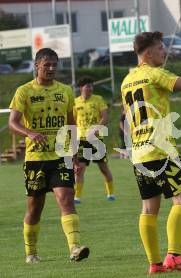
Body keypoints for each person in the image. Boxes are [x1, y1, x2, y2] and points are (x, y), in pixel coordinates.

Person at [120, 31, 181, 274]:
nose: (165, 52)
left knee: (148, 208)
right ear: (148, 52)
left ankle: (154, 263)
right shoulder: (155, 74)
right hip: (161, 149)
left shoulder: (126, 81)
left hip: (140, 152)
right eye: (161, 48)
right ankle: (175, 255)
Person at [8, 48, 89, 263]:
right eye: (47, 65)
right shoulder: (24, 91)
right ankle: (31, 252)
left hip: (60, 157)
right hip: (35, 160)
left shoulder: (65, 91)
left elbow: (71, 124)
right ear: (37, 66)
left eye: (55, 65)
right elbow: (12, 123)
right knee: (35, 208)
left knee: (66, 199)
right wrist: (30, 133)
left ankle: (74, 248)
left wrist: (74, 155)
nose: (52, 68)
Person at [73, 77, 115, 204]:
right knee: (79, 169)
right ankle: (77, 197)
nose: (90, 88)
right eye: (87, 86)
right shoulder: (75, 103)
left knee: (103, 168)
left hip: (96, 140)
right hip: (81, 140)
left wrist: (96, 130)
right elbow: (73, 121)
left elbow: (105, 117)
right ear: (81, 88)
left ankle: (111, 194)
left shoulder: (98, 100)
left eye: (91, 86)